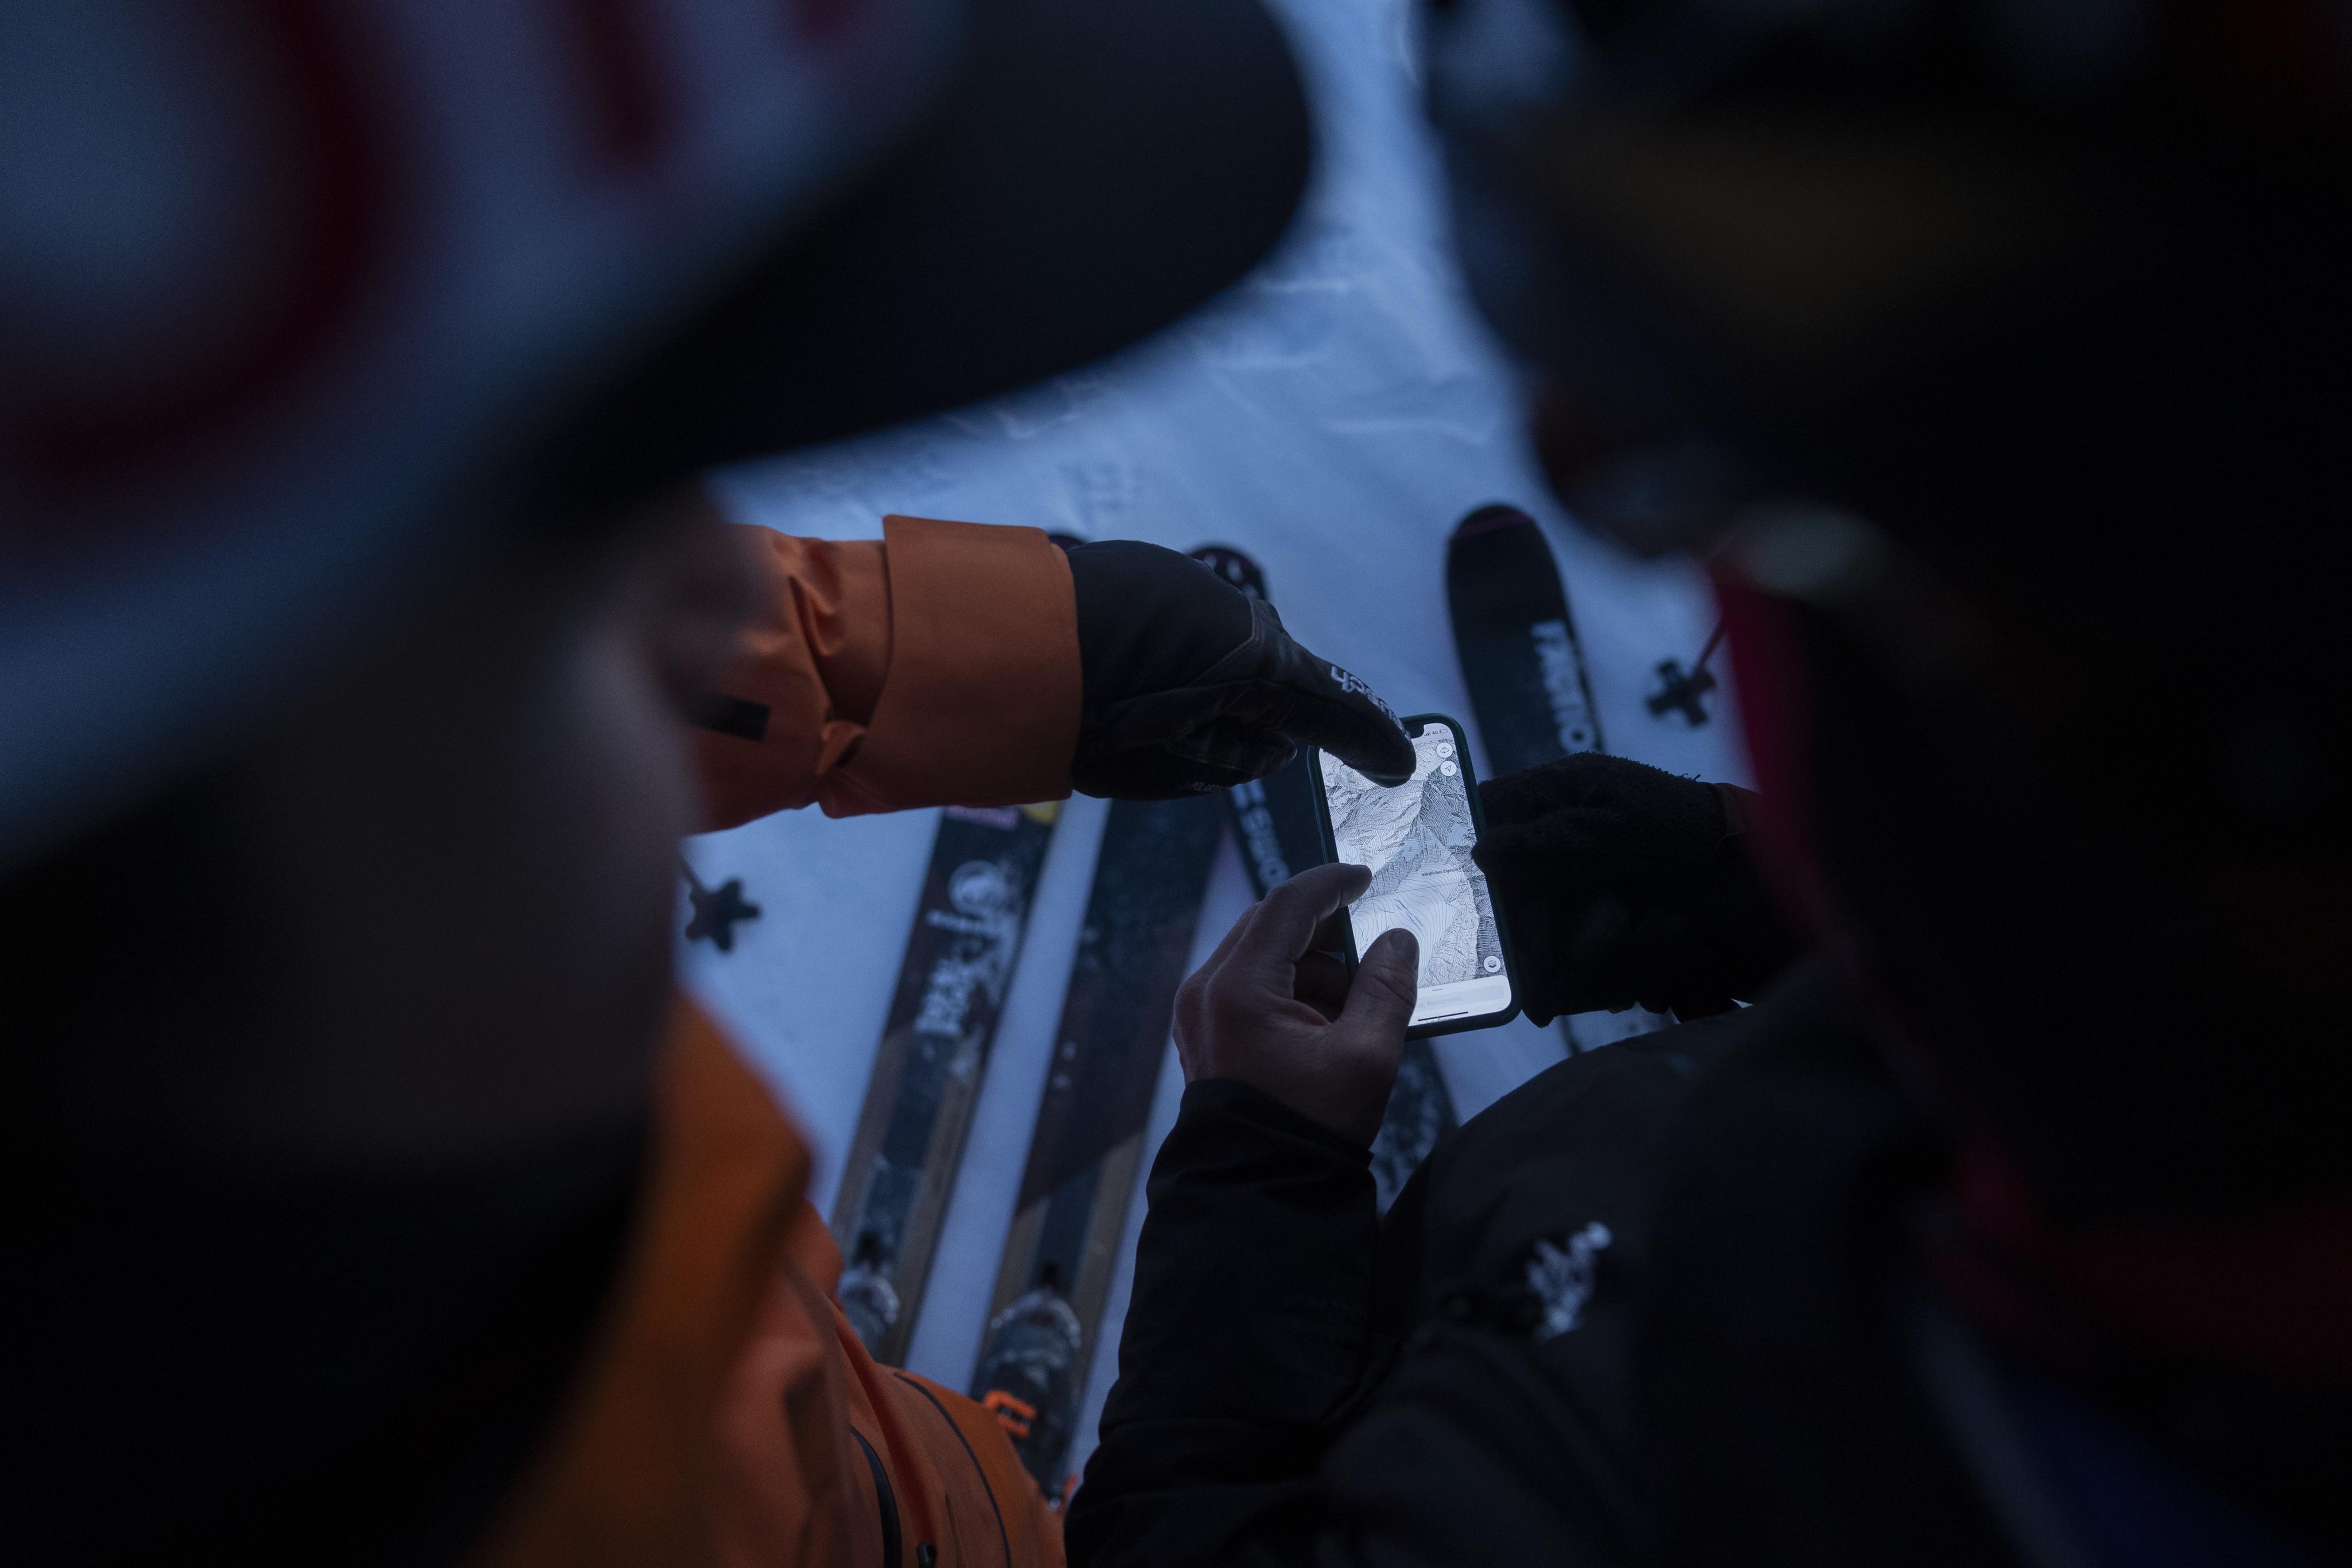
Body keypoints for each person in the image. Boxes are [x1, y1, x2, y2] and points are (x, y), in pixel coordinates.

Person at [1, 2, 1415, 1565]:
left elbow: (402, 673)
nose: (714, 603)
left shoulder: (335, 1067)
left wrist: (1011, 652)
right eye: (584, 582)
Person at [1067, 1, 2350, 1563]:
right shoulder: (2128, 1067)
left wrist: (1255, 1210)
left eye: (1730, 492)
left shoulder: (1657, 1469)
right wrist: (1776, 906)